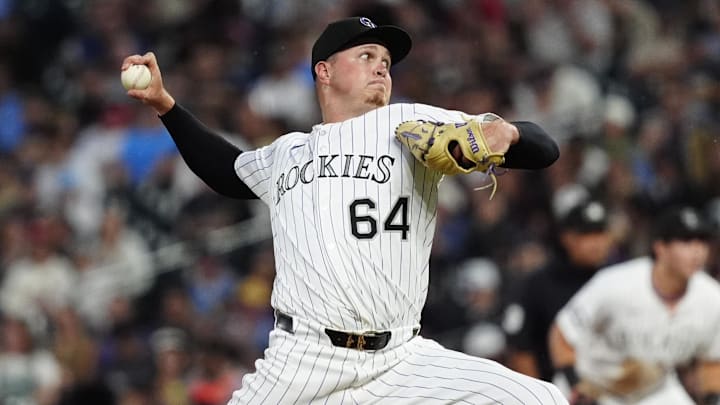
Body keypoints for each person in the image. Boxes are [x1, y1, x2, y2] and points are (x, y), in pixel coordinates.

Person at [123, 16, 566, 404]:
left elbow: (543, 149)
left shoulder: (408, 123)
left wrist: (505, 134)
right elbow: (226, 171)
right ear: (325, 70)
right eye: (367, 55)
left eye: (387, 63)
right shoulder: (287, 154)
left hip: (401, 362)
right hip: (303, 362)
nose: (381, 66)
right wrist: (166, 104)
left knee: (538, 398)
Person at [548, 206, 720, 405]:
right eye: (686, 241)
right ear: (660, 248)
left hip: (652, 391)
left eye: (702, 241)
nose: (697, 250)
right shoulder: (617, 283)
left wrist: (712, 398)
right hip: (591, 385)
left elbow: (712, 360)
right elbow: (561, 334)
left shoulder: (712, 298)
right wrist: (576, 384)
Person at [503, 199, 615, 380]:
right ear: (567, 238)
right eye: (587, 235)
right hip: (558, 390)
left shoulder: (615, 278)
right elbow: (520, 350)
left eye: (600, 233)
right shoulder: (536, 285)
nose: (596, 243)